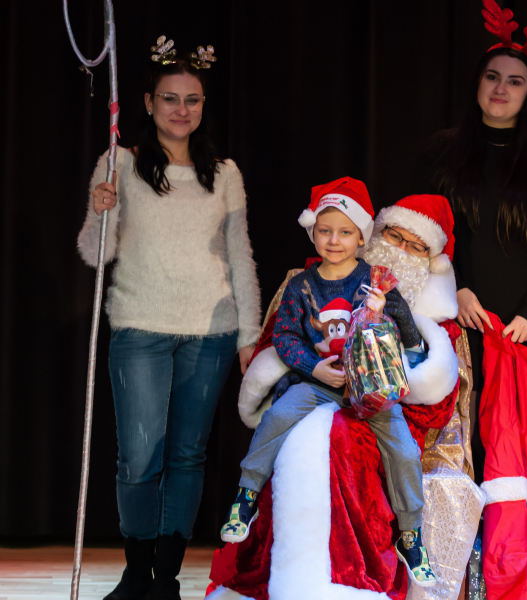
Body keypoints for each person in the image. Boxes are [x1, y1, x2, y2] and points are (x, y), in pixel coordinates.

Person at [77, 37, 261, 600]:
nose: (182, 109)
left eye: (192, 99)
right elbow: (94, 254)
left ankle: (166, 579)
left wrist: (249, 334)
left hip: (211, 332)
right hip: (140, 327)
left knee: (186, 456)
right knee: (139, 458)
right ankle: (136, 573)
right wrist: (99, 212)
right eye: (170, 98)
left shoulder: (223, 173)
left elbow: (240, 255)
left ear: (203, 105)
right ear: (149, 102)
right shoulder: (119, 163)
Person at [220, 177, 438, 587]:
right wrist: (313, 367)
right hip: (320, 381)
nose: (334, 240)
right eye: (325, 230)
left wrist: (384, 311)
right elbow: (285, 336)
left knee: (403, 449)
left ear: (362, 237)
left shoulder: (378, 278)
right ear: (313, 232)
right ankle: (246, 496)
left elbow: (410, 338)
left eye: (345, 232)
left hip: (369, 388)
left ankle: (411, 534)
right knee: (277, 417)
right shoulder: (302, 285)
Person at [411, 2, 527, 483]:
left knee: (518, 457)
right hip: (458, 321)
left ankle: (513, 535)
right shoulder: (442, 151)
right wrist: (457, 289)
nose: (501, 88)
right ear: (477, 84)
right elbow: (420, 232)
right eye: (492, 77)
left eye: (515, 81)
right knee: (457, 448)